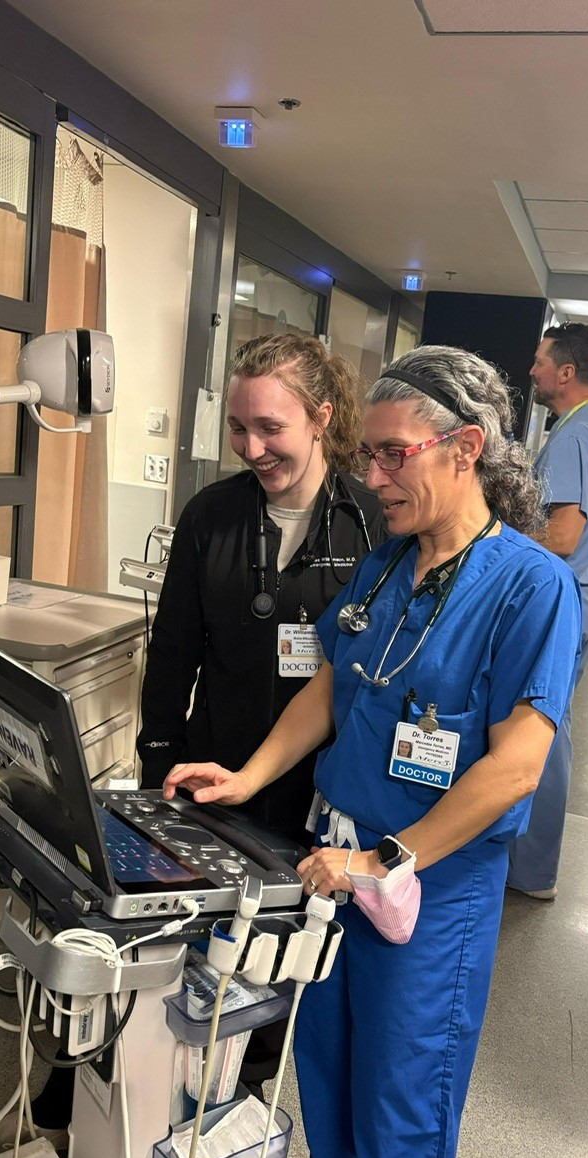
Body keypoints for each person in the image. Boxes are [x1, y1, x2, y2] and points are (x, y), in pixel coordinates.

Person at [164, 346, 583, 1158]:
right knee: (330, 1064)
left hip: (428, 887)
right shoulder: (389, 565)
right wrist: (248, 776)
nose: (375, 475)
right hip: (335, 864)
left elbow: (516, 768)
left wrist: (387, 859)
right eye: (371, 454)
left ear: (466, 448)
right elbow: (331, 683)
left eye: (396, 455)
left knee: (404, 1091)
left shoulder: (531, 586)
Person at [138, 331, 385, 1089]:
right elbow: (173, 654)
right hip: (216, 769)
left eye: (270, 427)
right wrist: (156, 771)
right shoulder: (211, 516)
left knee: (282, 959)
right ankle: (172, 1085)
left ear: (321, 417)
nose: (251, 447)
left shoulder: (374, 524)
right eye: (238, 427)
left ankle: (245, 1099)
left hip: (319, 787)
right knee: (201, 949)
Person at [506, 321, 588, 900]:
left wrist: (496, 539)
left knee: (541, 732)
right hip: (585, 598)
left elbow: (562, 535)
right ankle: (532, 864)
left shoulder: (577, 433)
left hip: (568, 597)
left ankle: (531, 871)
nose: (532, 371)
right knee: (550, 728)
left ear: (566, 371)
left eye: (540, 361)